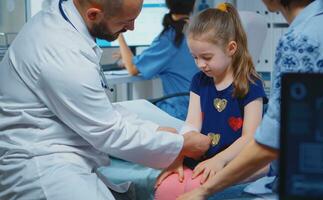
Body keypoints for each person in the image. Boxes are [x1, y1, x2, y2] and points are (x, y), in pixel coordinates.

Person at [0, 0, 212, 199]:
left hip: (70, 147)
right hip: (42, 165)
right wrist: (179, 144)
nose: (132, 28)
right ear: (94, 14)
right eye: (126, 21)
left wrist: (156, 133)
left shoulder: (67, 22)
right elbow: (108, 131)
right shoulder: (61, 51)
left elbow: (103, 111)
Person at [177, 0, 323, 199]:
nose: (201, 64)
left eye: (207, 57)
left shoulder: (301, 40)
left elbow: (271, 138)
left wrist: (205, 190)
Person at [154, 3, 269, 199]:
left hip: (234, 160)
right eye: (195, 57)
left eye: (206, 57)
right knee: (167, 187)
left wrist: (220, 161)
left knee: (198, 185)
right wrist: (179, 154)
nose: (200, 65)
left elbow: (249, 137)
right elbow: (192, 124)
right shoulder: (199, 81)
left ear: (231, 48)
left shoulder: (250, 83)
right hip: (204, 156)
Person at [116, 0, 199, 120]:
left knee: (127, 111)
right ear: (194, 4)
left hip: (180, 112)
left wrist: (118, 32)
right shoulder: (198, 31)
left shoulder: (170, 38)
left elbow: (132, 68)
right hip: (199, 109)